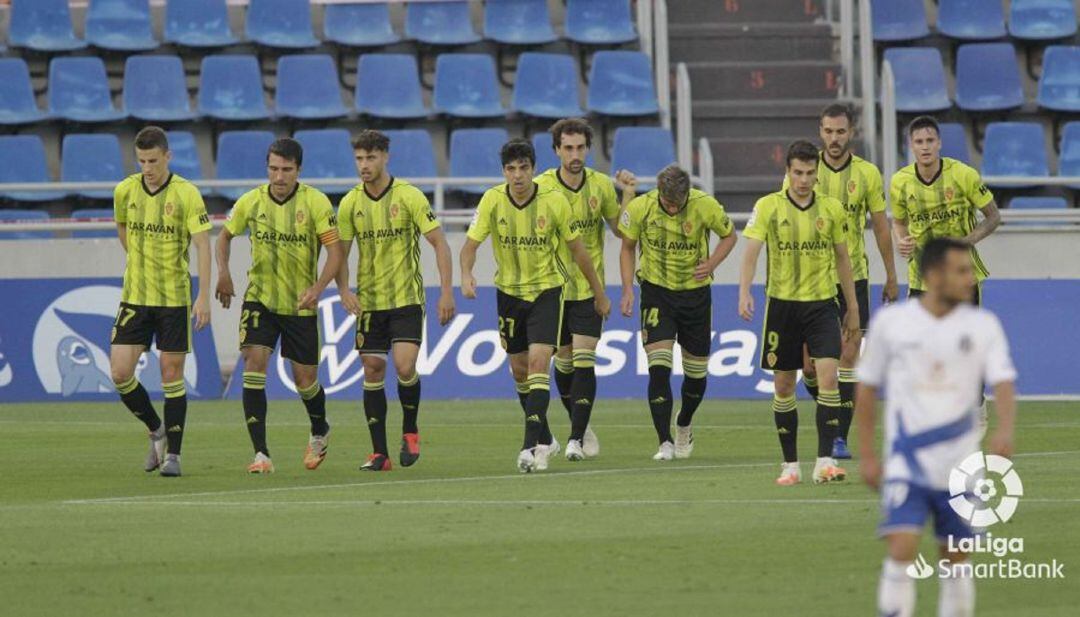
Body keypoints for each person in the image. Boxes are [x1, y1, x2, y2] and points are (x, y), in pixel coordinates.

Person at [857, 238, 1017, 617]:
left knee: (955, 561)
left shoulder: (982, 324)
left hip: (961, 468)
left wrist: (1005, 429)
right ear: (933, 275)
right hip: (905, 463)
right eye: (961, 271)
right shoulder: (893, 323)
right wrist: (866, 455)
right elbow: (866, 388)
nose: (969, 278)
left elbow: (1004, 380)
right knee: (900, 549)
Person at [460, 138, 610, 473]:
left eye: (524, 167)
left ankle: (530, 449)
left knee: (541, 362)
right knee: (520, 371)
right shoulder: (492, 200)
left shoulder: (554, 202)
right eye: (511, 169)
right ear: (504, 172)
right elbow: (469, 245)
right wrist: (466, 274)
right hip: (509, 294)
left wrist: (599, 292)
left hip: (547, 291)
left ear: (532, 168)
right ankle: (546, 438)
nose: (518, 175)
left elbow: (579, 252)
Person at [215, 138, 345, 474]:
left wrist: (318, 288)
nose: (279, 176)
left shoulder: (316, 203)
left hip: (301, 305)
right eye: (274, 168)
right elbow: (225, 236)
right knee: (254, 361)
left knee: (305, 380)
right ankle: (261, 454)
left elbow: (335, 253)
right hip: (261, 299)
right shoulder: (251, 201)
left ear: (298, 170)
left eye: (286, 169)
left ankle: (320, 428)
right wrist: (224, 273)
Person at [739, 140, 859, 486]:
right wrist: (744, 292)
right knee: (784, 385)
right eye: (797, 173)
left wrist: (851, 307)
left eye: (809, 173)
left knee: (829, 379)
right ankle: (790, 465)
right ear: (787, 172)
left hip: (822, 305)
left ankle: (824, 462)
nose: (804, 179)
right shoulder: (768, 207)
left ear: (817, 173)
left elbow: (843, 259)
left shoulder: (832, 209)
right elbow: (751, 252)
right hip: (782, 306)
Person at [335, 130, 455, 471]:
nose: (364, 165)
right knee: (372, 368)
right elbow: (339, 254)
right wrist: (344, 289)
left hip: (406, 299)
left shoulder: (410, 196)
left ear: (385, 157)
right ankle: (379, 454)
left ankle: (410, 431)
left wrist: (446, 291)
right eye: (359, 159)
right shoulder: (349, 204)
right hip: (370, 302)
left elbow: (440, 244)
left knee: (404, 366)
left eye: (371, 158)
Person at [792, 104, 898, 460]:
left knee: (849, 358)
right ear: (820, 132)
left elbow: (881, 226)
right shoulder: (805, 170)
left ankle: (839, 437)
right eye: (828, 132)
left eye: (840, 132)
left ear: (851, 133)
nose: (834, 139)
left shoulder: (867, 174)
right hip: (811, 281)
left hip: (855, 276)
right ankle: (828, 407)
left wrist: (892, 274)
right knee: (809, 367)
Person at [110, 126, 211, 478]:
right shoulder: (125, 190)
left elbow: (202, 244)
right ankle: (156, 428)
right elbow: (122, 228)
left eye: (153, 160)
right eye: (141, 161)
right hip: (135, 297)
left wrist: (202, 295)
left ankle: (174, 456)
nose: (147, 168)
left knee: (171, 375)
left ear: (168, 156)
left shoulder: (186, 194)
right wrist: (139, 260)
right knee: (120, 373)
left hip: (173, 300)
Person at [618, 164, 737, 461]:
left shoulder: (704, 205)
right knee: (659, 368)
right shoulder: (641, 207)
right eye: (667, 203)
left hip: (695, 296)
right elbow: (627, 247)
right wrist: (628, 289)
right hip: (656, 293)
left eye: (677, 203)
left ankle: (684, 422)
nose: (672, 209)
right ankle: (664, 442)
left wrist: (712, 264)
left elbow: (730, 236)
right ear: (658, 192)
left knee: (696, 376)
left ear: (686, 195)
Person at [534, 117, 635, 461]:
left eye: (580, 147)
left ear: (588, 148)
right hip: (552, 289)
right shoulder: (542, 187)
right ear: (556, 150)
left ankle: (575, 439)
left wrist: (628, 195)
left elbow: (621, 233)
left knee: (584, 358)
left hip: (589, 289)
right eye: (568, 148)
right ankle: (583, 424)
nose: (575, 154)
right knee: (563, 365)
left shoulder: (601, 187)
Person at [890, 115, 1000, 306]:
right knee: (919, 337)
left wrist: (965, 241)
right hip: (921, 278)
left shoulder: (963, 174)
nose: (925, 147)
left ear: (939, 143)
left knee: (964, 336)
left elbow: (994, 217)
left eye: (930, 141)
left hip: (963, 276)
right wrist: (901, 240)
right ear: (911, 146)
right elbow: (898, 223)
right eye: (919, 141)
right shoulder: (900, 182)